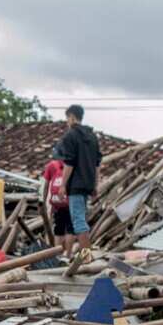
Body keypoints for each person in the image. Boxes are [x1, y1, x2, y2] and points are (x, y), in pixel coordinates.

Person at [56, 104, 102, 260]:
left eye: (67, 118)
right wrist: (96, 185)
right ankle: (86, 256)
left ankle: (86, 257)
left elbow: (69, 162)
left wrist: (62, 184)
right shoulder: (92, 137)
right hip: (88, 184)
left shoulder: (71, 136)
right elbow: (97, 164)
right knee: (80, 220)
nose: (67, 122)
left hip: (75, 185)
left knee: (79, 222)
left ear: (72, 117)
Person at [41, 152, 75, 258]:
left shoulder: (51, 165)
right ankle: (69, 254)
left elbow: (46, 185)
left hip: (57, 202)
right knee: (71, 228)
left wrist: (44, 200)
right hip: (70, 201)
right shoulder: (74, 165)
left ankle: (57, 255)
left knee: (58, 229)